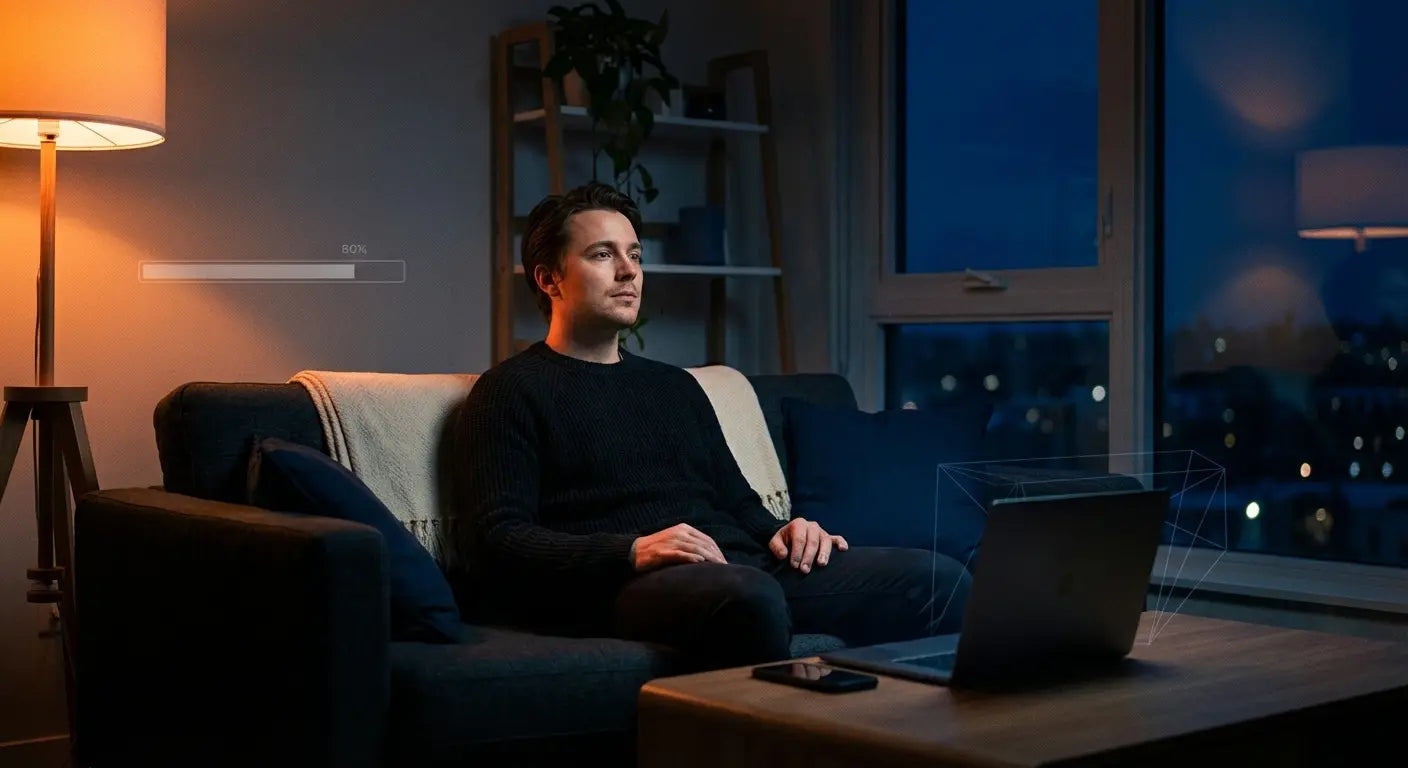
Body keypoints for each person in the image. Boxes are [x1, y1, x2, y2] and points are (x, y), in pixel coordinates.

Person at [452, 181, 971, 667]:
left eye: (634, 254)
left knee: (933, 578)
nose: (629, 272)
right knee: (749, 598)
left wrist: (787, 530)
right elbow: (497, 539)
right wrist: (631, 549)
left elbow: (739, 504)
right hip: (630, 583)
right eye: (602, 254)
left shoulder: (675, 386)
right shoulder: (509, 391)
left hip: (744, 569)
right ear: (548, 278)